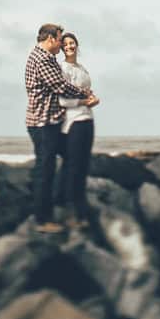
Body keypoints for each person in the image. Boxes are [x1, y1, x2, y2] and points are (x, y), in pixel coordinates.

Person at [24, 23, 93, 233]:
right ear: (51, 39)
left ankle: (62, 208)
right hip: (42, 123)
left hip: (49, 122)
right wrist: (85, 95)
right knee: (45, 171)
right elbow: (60, 86)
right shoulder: (43, 59)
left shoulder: (44, 57)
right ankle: (42, 219)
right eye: (60, 40)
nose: (62, 44)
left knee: (67, 162)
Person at [58, 32, 99, 229]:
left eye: (72, 43)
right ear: (62, 48)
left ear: (77, 45)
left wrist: (93, 100)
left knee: (83, 167)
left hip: (87, 120)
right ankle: (70, 211)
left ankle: (82, 209)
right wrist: (85, 101)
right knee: (73, 167)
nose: (69, 46)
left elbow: (88, 94)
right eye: (65, 44)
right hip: (72, 122)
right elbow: (62, 101)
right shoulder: (62, 69)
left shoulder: (82, 68)